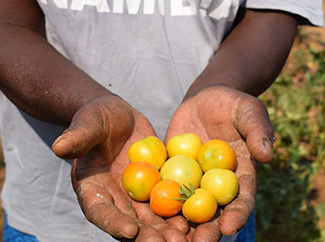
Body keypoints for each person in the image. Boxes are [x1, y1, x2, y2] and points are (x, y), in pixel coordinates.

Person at [0, 0, 323, 241]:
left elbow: (272, 11)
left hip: (215, 208)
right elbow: (7, 23)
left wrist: (219, 86)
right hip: (48, 207)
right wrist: (86, 103)